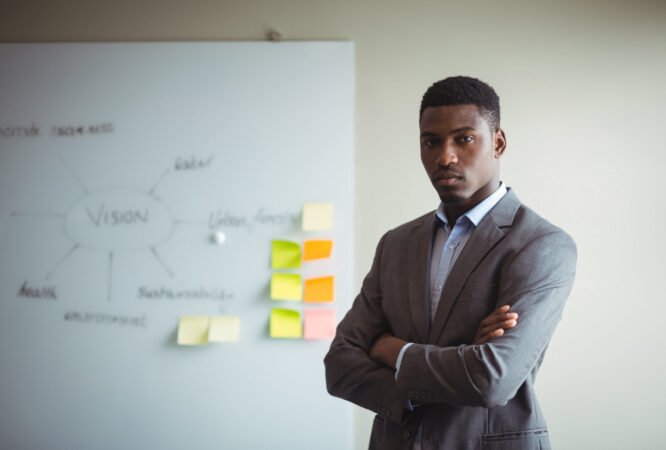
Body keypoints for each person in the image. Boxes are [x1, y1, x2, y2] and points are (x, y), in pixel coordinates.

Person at [324, 76, 577, 450]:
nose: (445, 157)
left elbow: (492, 378)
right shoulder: (396, 244)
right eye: (431, 142)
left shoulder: (541, 244)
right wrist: (458, 362)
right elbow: (340, 366)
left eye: (464, 138)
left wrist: (392, 350)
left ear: (498, 142)